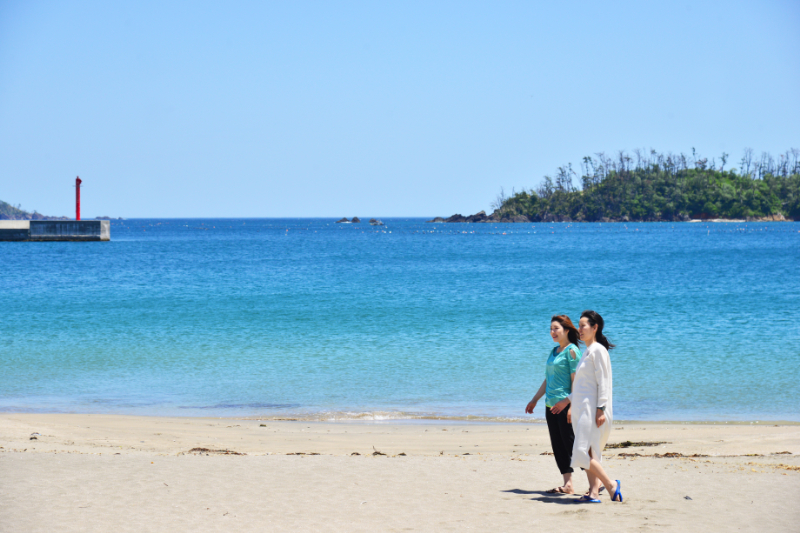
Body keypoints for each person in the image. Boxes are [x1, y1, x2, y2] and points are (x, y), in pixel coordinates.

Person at [568, 310, 622, 503]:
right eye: (579, 325)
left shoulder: (598, 350)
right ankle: (593, 492)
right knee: (590, 452)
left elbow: (604, 382)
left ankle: (610, 485)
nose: (579, 329)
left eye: (583, 325)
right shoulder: (588, 351)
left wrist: (601, 408)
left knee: (582, 452)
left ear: (595, 327)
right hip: (582, 410)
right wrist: (569, 404)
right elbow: (583, 386)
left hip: (593, 411)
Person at [525, 315, 582, 494]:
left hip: (565, 405)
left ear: (566, 330)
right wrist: (535, 399)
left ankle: (599, 480)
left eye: (556, 328)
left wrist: (572, 406)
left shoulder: (572, 351)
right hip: (550, 405)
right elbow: (548, 379)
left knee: (573, 446)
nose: (552, 332)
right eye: (551, 329)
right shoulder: (554, 351)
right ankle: (568, 484)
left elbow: (577, 382)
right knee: (558, 446)